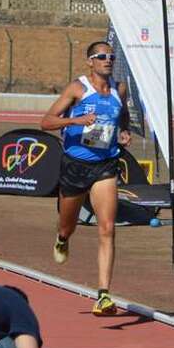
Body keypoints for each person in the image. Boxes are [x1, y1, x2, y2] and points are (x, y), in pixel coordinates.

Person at [40, 40, 130, 316]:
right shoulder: (77, 88)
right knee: (67, 226)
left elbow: (122, 116)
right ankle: (62, 238)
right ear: (90, 61)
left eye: (111, 57)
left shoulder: (119, 89)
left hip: (105, 164)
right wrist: (75, 121)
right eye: (101, 56)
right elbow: (46, 122)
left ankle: (103, 295)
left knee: (107, 227)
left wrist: (124, 131)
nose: (107, 60)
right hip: (75, 164)